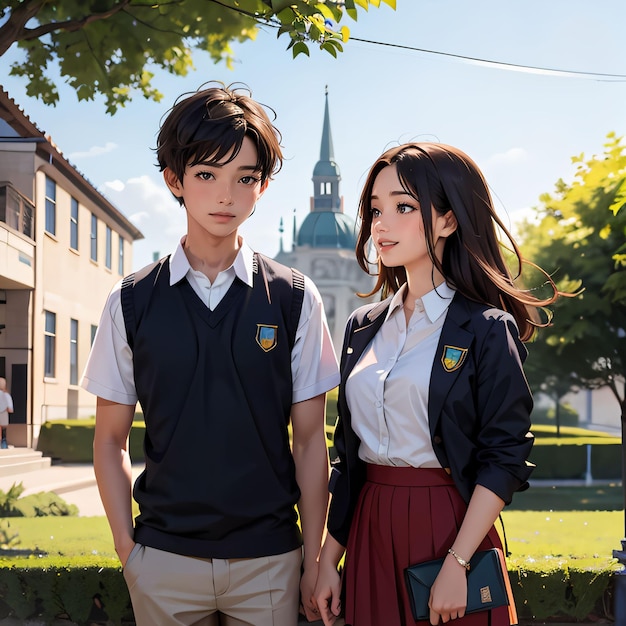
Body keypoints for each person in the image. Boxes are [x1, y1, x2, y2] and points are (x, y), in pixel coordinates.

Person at [81, 82, 339, 626]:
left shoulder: (295, 298)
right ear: (174, 180)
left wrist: (314, 558)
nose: (226, 195)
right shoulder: (129, 301)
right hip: (164, 562)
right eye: (206, 175)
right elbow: (108, 441)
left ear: (262, 186)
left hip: (270, 563)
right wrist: (131, 552)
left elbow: (311, 439)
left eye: (244, 178)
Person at [314, 142, 569, 626]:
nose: (381, 225)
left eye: (403, 207)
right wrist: (329, 559)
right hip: (370, 529)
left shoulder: (487, 329)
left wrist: (458, 562)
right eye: (374, 210)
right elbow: (348, 458)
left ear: (449, 220)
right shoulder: (360, 327)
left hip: (451, 531)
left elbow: (505, 456)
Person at [0, 377, 13, 449]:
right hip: (4, 416)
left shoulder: (6, 396)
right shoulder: (7, 396)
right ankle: (3, 445)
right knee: (3, 432)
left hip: (3, 415)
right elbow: (10, 409)